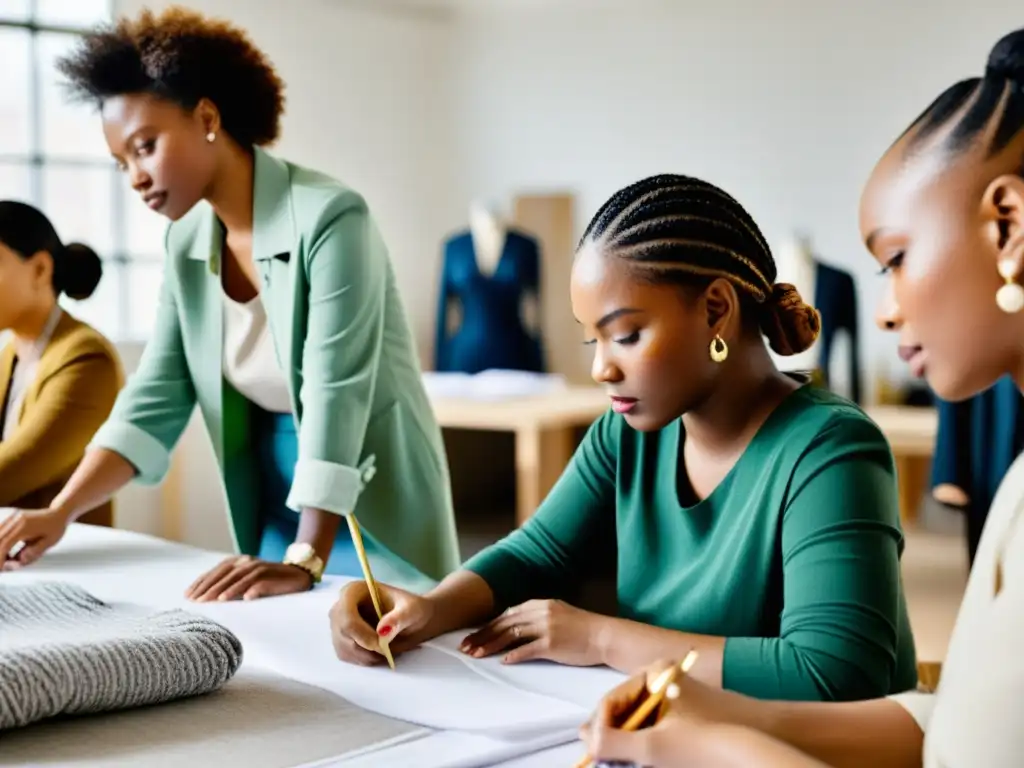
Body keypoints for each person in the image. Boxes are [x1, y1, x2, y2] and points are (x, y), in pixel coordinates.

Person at [579, 27, 1024, 768]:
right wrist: (716, 709)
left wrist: (716, 749)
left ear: (1007, 224)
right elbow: (968, 730)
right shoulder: (1014, 486)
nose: (885, 310)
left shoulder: (830, 441)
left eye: (898, 259)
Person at [330, 174, 919, 702]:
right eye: (594, 341)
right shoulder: (627, 433)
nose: (601, 369)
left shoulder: (831, 449)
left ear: (717, 310)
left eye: (627, 335)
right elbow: (537, 553)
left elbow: (837, 673)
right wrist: (429, 608)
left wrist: (602, 636)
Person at [0, 7, 460, 599]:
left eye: (145, 147)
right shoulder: (185, 241)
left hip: (364, 496)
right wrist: (58, 514)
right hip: (273, 488)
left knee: (391, 657)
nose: (135, 177)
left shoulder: (331, 217)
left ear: (208, 118)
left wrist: (306, 558)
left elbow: (335, 389)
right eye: (122, 163)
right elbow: (155, 397)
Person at [0, 201, 122, 553]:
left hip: (66, 563)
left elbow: (11, 473)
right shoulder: (10, 354)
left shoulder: (85, 357)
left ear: (39, 269)